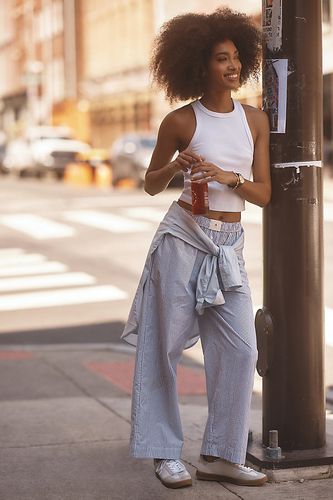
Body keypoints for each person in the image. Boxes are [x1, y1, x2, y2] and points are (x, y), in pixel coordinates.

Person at [121, 7, 271, 489]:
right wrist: (176, 168)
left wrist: (232, 178)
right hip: (184, 238)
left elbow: (264, 194)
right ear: (198, 65)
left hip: (230, 245)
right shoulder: (181, 121)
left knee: (241, 351)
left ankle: (221, 452)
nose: (231, 67)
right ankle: (165, 452)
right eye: (219, 58)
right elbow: (149, 183)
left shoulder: (255, 120)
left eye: (235, 58)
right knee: (163, 348)